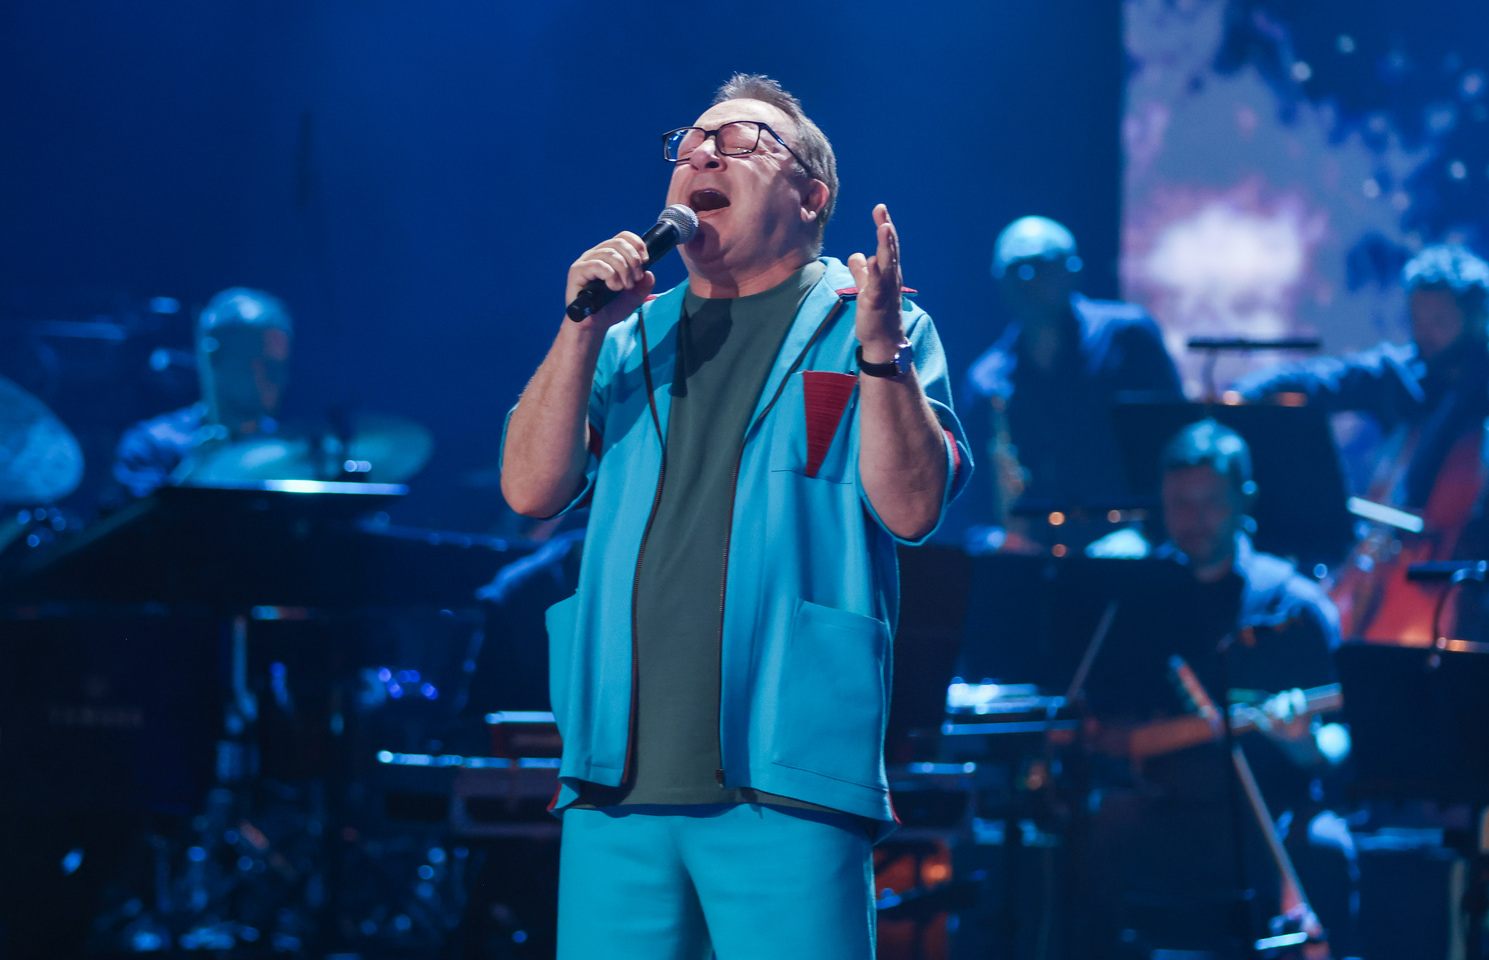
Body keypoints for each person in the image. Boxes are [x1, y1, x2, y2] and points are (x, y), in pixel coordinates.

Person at [498, 74, 970, 959]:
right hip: (614, 778)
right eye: (688, 146)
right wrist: (579, 329)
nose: (702, 157)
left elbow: (912, 509)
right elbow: (529, 490)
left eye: (740, 143)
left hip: (789, 775)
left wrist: (881, 353)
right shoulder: (626, 337)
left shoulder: (872, 325)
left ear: (810, 196)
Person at [1082, 420, 1354, 957]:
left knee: (1326, 847)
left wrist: (1303, 743)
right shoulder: (1137, 598)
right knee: (1097, 831)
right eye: (1179, 504)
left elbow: (1342, 740)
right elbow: (1104, 725)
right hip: (1169, 803)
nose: (1193, 520)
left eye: (1209, 503)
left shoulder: (1296, 605)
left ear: (1243, 500)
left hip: (1273, 806)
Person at [1235, 243, 1489, 642]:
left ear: (1474, 320)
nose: (1424, 334)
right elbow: (1325, 379)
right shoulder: (1405, 374)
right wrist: (1244, 393)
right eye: (1417, 319)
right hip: (1394, 561)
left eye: (1439, 320)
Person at [954, 215, 1182, 553]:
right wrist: (998, 542)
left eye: (1041, 265)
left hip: (1130, 544)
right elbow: (968, 497)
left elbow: (1178, 441)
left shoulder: (1128, 337)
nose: (1027, 279)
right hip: (1034, 557)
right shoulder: (986, 380)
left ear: (1073, 270)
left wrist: (1148, 531)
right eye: (1015, 269)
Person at [113, 287, 293, 497]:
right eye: (263, 364)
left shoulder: (288, 451)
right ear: (215, 360)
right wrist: (193, 473)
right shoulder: (150, 445)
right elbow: (137, 517)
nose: (276, 378)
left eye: (281, 366)